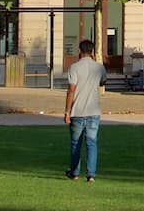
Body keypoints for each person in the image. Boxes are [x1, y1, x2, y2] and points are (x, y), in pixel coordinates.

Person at [64, 39, 105, 182]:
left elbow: (71, 90)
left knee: (76, 143)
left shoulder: (74, 67)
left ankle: (74, 173)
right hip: (93, 111)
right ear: (92, 52)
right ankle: (91, 174)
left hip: (78, 110)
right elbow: (102, 81)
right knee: (91, 143)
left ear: (80, 51)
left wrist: (67, 111)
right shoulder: (99, 67)